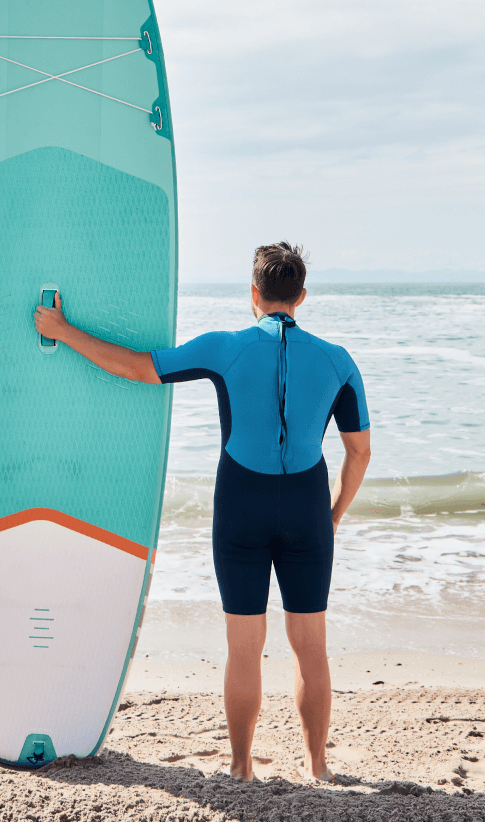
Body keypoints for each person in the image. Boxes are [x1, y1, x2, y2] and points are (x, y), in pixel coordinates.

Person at [34, 242, 371, 783]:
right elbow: (359, 452)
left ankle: (241, 768)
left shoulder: (225, 348)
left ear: (254, 295)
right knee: (310, 644)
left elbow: (139, 368)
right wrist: (331, 516)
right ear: (301, 297)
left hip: (241, 504)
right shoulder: (339, 361)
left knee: (245, 646)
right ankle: (318, 766)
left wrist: (64, 329)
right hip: (308, 505)